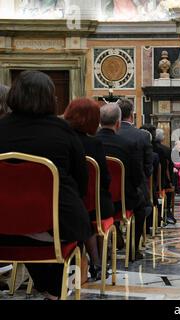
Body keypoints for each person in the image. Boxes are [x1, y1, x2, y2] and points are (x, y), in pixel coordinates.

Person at [0, 71, 91, 299]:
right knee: (63, 227)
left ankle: (46, 286)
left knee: (29, 228)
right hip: (53, 227)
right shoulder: (64, 132)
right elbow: (81, 182)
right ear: (51, 98)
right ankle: (54, 290)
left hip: (2, 227)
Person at [64, 97, 115, 280]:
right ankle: (98, 262)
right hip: (91, 204)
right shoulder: (94, 144)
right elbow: (104, 178)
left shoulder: (60, 139)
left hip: (60, 201)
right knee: (96, 207)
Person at [96, 103, 151, 260]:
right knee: (141, 207)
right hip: (123, 200)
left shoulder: (91, 142)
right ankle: (133, 249)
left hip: (96, 201)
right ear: (118, 123)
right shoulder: (129, 144)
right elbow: (138, 176)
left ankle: (114, 230)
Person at [117, 99, 154, 231]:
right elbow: (148, 168)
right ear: (132, 115)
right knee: (145, 206)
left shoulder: (105, 135)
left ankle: (116, 231)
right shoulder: (142, 136)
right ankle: (134, 246)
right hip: (133, 190)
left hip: (107, 194)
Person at [153, 128, 177, 225]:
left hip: (149, 183)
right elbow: (169, 169)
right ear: (162, 138)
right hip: (162, 183)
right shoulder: (166, 150)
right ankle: (167, 212)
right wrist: (171, 182)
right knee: (169, 186)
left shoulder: (147, 148)